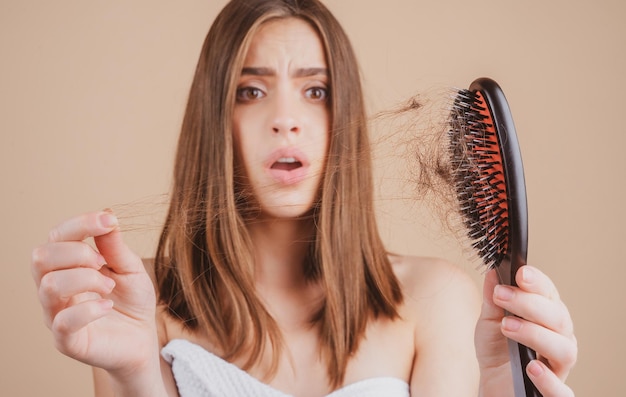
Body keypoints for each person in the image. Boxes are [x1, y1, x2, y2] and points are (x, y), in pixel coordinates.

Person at [30, 0, 577, 396]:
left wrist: (502, 387)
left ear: (345, 117)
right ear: (213, 119)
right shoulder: (136, 306)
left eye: (315, 91)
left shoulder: (435, 302)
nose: (286, 120)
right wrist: (135, 376)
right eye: (251, 91)